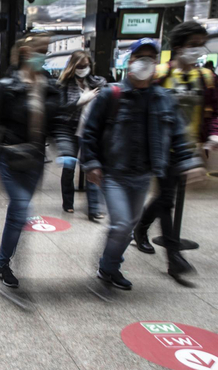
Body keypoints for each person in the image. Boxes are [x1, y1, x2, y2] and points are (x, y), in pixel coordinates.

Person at [82, 38, 204, 290]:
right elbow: (90, 132)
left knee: (127, 228)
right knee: (121, 224)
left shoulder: (163, 98)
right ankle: (110, 265)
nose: (145, 62)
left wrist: (188, 161)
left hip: (143, 175)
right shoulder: (111, 94)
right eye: (140, 57)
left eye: (151, 58)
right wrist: (92, 162)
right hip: (113, 173)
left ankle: (108, 266)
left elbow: (178, 135)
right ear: (130, 62)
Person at [0, 33, 77, 288]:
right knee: (20, 207)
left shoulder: (51, 87)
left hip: (35, 160)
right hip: (9, 157)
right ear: (24, 53)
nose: (43, 54)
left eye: (46, 49)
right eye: (38, 50)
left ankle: (2, 261)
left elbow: (59, 124)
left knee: (16, 213)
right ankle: (5, 263)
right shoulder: (6, 86)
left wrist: (65, 148)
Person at [133, 22, 218, 274]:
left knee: (164, 197)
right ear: (179, 46)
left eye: (200, 44)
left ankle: (141, 227)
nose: (197, 49)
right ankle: (173, 256)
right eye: (192, 44)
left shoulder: (206, 78)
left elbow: (215, 111)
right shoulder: (159, 74)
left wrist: (213, 134)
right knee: (167, 198)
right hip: (160, 147)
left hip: (190, 148)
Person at [57, 50, 107, 220]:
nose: (83, 69)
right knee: (69, 167)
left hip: (90, 130)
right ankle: (68, 203)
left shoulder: (99, 82)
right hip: (69, 129)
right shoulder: (64, 84)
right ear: (73, 66)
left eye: (86, 65)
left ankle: (93, 209)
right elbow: (62, 109)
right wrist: (80, 101)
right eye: (79, 66)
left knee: (92, 166)